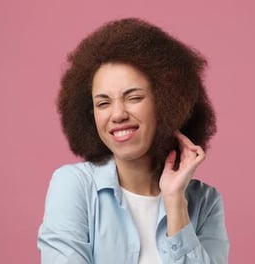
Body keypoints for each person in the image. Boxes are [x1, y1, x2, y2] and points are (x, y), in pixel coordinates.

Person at [37, 17, 229, 264]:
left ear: (166, 102)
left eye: (134, 97)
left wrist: (175, 203)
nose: (117, 115)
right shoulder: (74, 186)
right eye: (103, 103)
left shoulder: (205, 203)